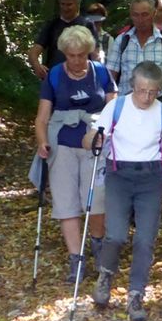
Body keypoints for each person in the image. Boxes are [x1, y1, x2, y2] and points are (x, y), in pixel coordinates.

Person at [85, 61, 162, 321]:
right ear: (132, 86)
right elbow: (90, 138)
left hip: (151, 178)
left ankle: (136, 294)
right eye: (141, 90)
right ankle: (106, 276)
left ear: (159, 90)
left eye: (152, 91)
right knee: (115, 235)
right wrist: (95, 139)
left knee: (145, 240)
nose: (146, 97)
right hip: (119, 174)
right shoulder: (115, 106)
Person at [34, 25, 117, 284]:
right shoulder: (55, 76)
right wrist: (42, 142)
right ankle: (76, 259)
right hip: (63, 146)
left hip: (95, 146)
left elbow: (114, 108)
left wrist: (101, 131)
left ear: (90, 52)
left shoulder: (101, 73)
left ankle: (98, 247)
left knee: (97, 201)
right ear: (64, 54)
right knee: (66, 202)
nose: (78, 60)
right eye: (72, 55)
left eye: (82, 54)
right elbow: (42, 118)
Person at [106, 0, 162, 98]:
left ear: (154, 13)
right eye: (135, 15)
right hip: (127, 102)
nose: (140, 20)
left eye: (145, 14)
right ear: (131, 15)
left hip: (158, 101)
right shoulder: (122, 40)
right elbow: (110, 77)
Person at [28, 0, 99, 80]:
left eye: (69, 4)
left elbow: (95, 54)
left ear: (77, 4)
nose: (65, 8)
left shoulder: (87, 25)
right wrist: (37, 66)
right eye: (63, 4)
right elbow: (34, 52)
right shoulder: (52, 25)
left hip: (82, 80)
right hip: (55, 79)